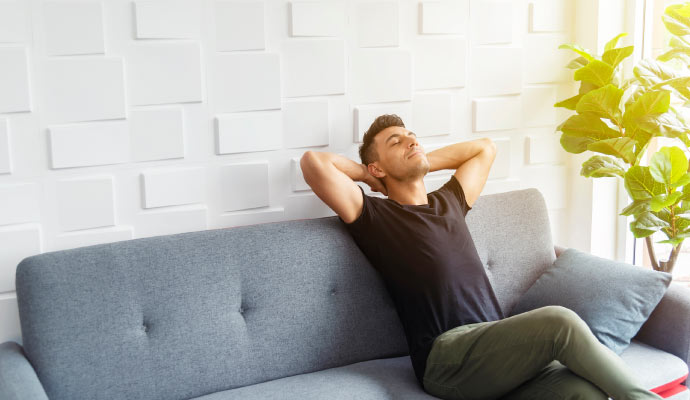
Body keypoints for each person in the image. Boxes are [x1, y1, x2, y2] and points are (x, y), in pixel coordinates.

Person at [299, 114, 663, 400]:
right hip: (448, 360)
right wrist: (369, 175)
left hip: (494, 352)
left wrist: (418, 158)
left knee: (585, 393)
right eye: (396, 141)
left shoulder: (449, 203)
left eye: (412, 135)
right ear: (377, 168)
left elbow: (485, 148)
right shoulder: (376, 216)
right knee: (559, 322)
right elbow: (314, 163)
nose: (411, 139)